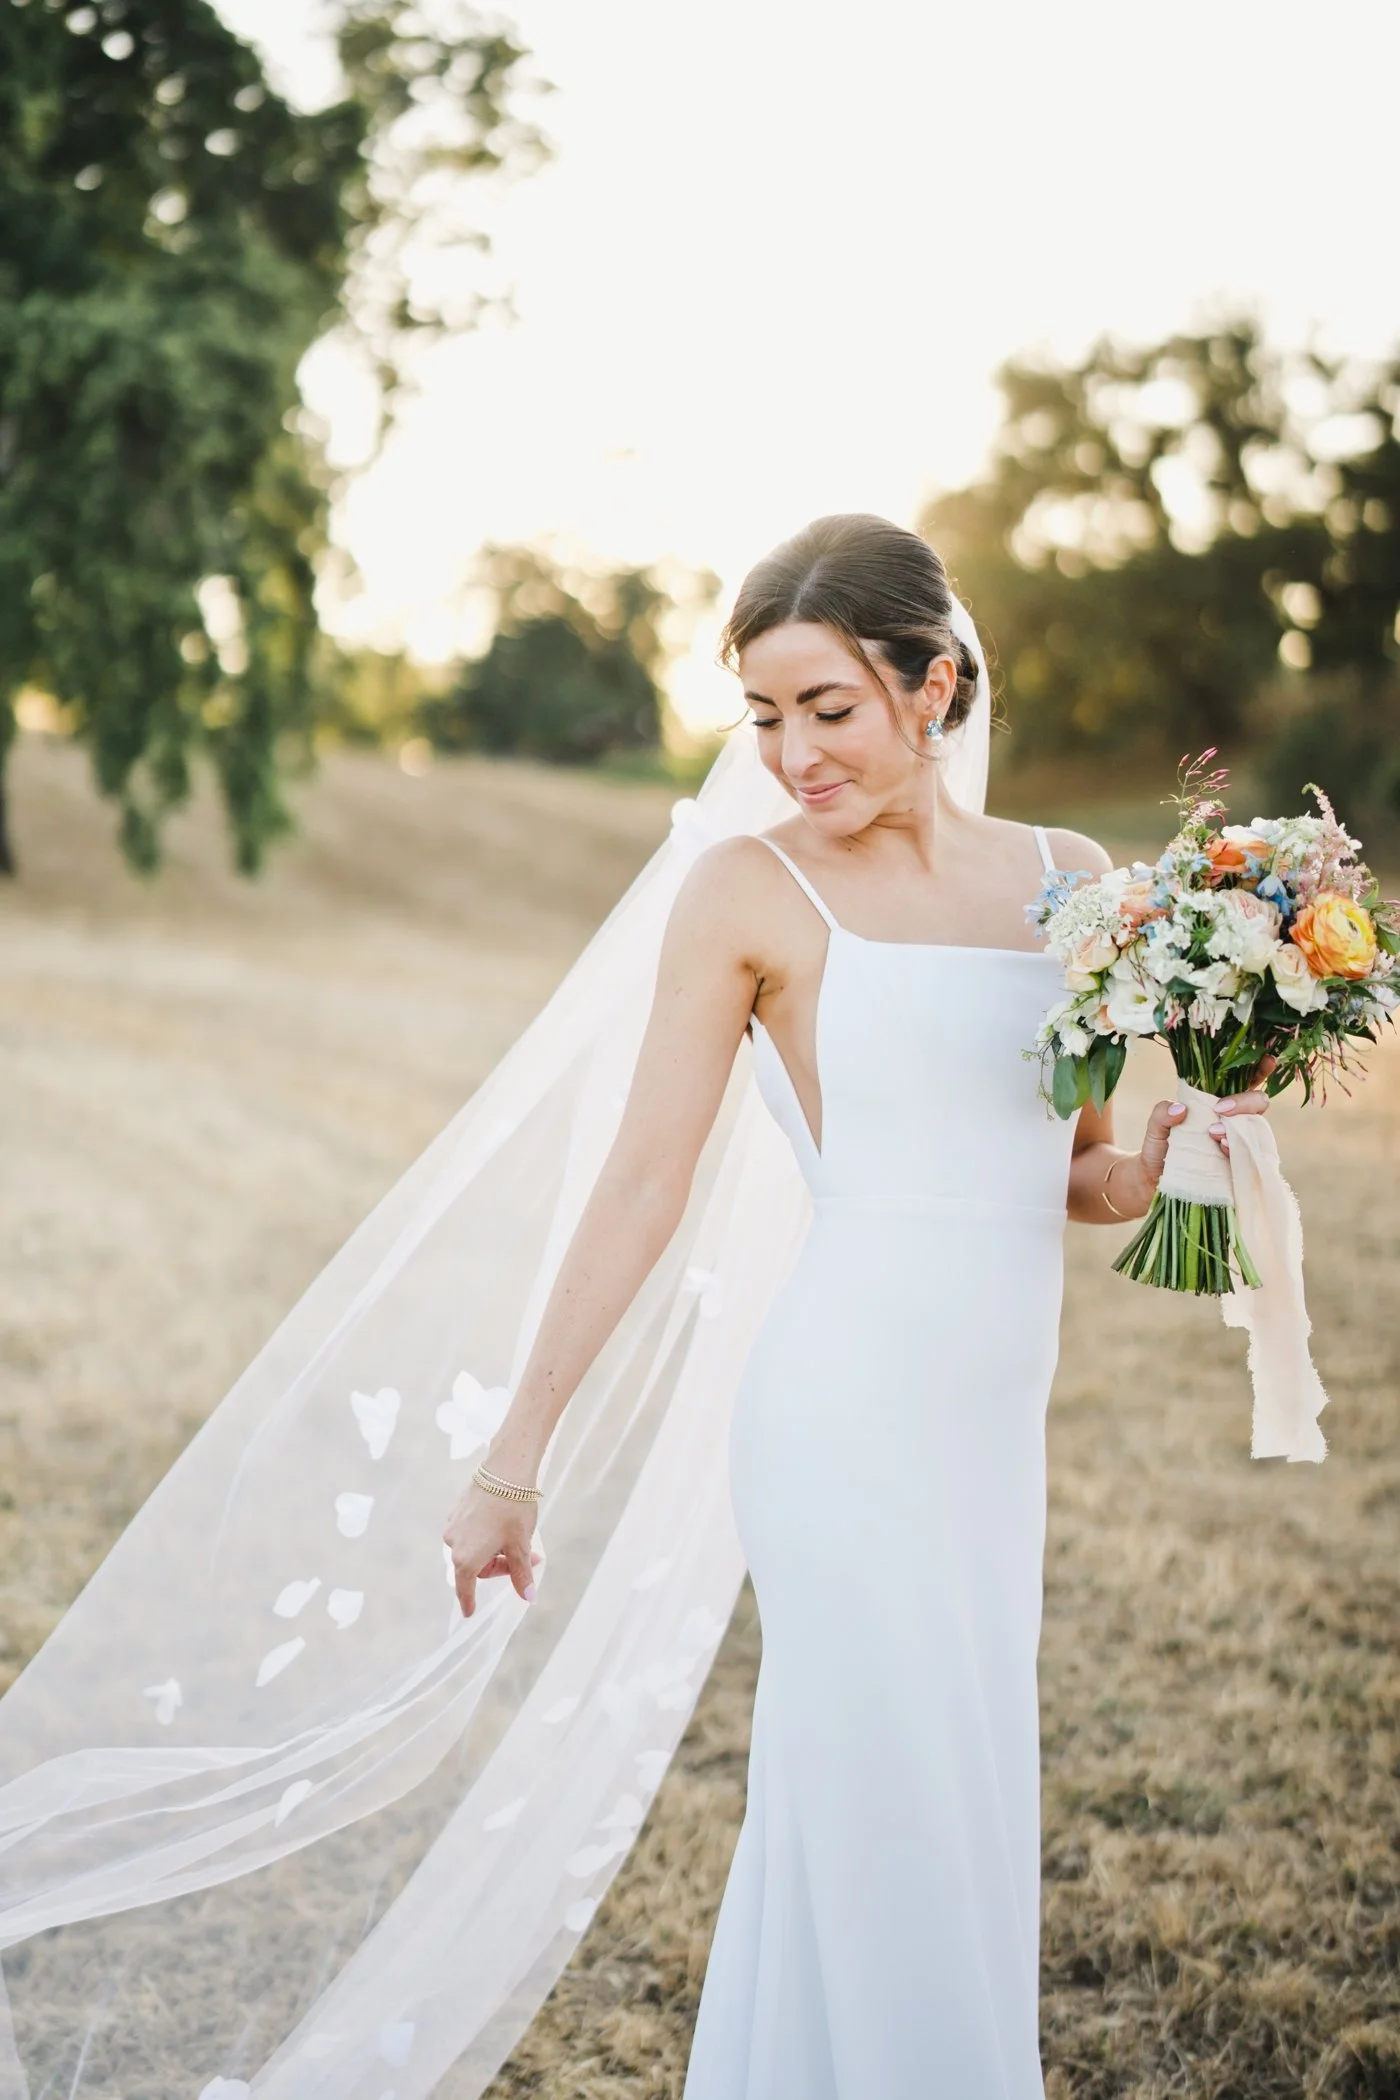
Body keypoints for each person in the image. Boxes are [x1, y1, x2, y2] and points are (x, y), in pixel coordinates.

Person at [443, 513, 1273, 2096]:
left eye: (825, 709)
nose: (790, 753)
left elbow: (1075, 1180)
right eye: (762, 718)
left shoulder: (1074, 883)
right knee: (882, 1787)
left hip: (987, 1431)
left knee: (951, 1788)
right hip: (841, 1417)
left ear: (934, 684)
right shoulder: (747, 895)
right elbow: (641, 1183)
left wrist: (1161, 1157)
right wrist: (513, 1455)